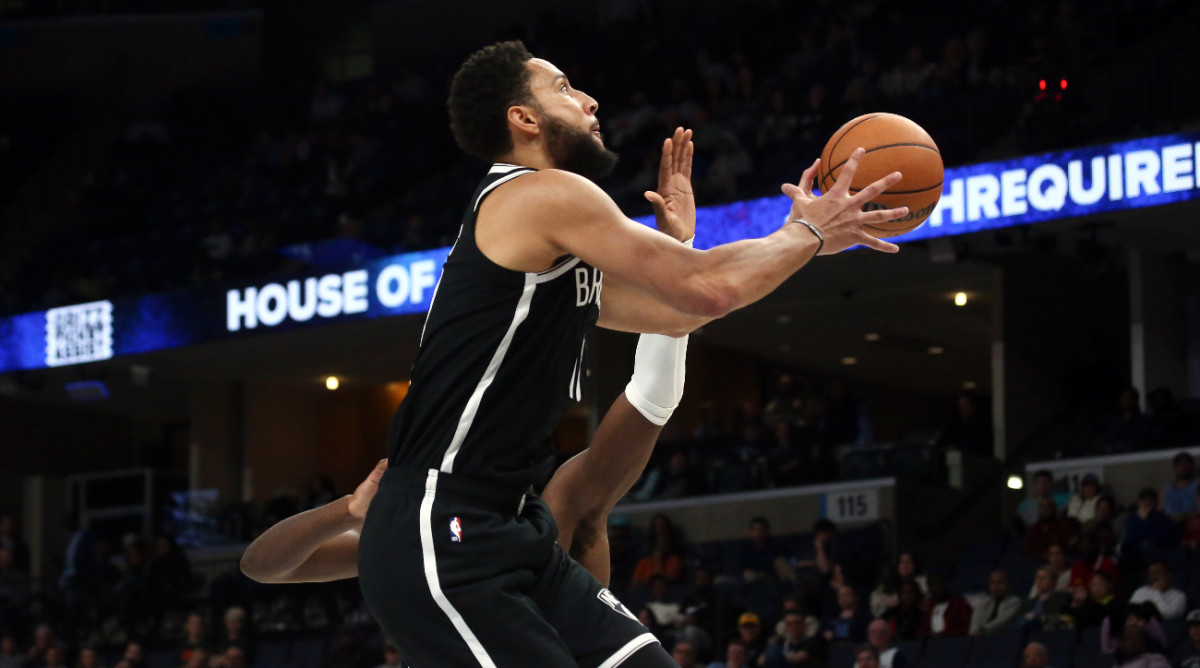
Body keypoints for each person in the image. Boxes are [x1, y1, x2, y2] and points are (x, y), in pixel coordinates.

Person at [259, 40, 908, 668]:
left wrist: (684, 248)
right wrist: (806, 231)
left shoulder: (551, 255)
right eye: (564, 88)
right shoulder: (537, 193)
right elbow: (709, 289)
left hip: (515, 529)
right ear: (523, 118)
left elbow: (686, 307)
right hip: (443, 526)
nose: (591, 100)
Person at [1017, 567, 1071, 632]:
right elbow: (1015, 620)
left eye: (1044, 578)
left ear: (1053, 581)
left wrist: (1036, 618)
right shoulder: (1028, 602)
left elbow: (1060, 618)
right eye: (1038, 577)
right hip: (1025, 634)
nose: (1040, 580)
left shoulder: (1063, 598)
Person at [970, 570, 1022, 636]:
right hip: (980, 638)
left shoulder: (1015, 602)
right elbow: (975, 622)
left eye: (1000, 582)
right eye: (993, 583)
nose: (996, 587)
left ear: (1008, 584)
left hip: (1003, 638)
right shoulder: (984, 604)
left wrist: (983, 630)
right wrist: (973, 634)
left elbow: (1001, 621)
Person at [918, 573, 971, 638]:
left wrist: (944, 634)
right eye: (933, 584)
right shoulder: (927, 607)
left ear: (946, 584)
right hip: (930, 644)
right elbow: (920, 630)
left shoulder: (959, 604)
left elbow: (965, 628)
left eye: (939, 583)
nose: (937, 587)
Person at [1163, 452, 1198, 518]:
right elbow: (1160, 509)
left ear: (1192, 466)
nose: (1183, 467)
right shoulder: (1167, 488)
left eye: (1187, 463)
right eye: (1179, 464)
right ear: (1175, 468)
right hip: (1169, 524)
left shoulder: (1198, 485)